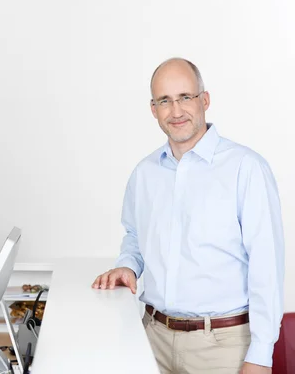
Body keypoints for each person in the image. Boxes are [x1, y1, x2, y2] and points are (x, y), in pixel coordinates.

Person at [92, 58, 284, 374]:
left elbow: (267, 266)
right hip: (151, 338)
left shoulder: (246, 169)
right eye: (164, 101)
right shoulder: (144, 174)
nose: (176, 111)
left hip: (223, 347)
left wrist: (261, 355)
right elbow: (135, 237)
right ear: (153, 109)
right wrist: (127, 266)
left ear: (204, 100)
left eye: (185, 97)